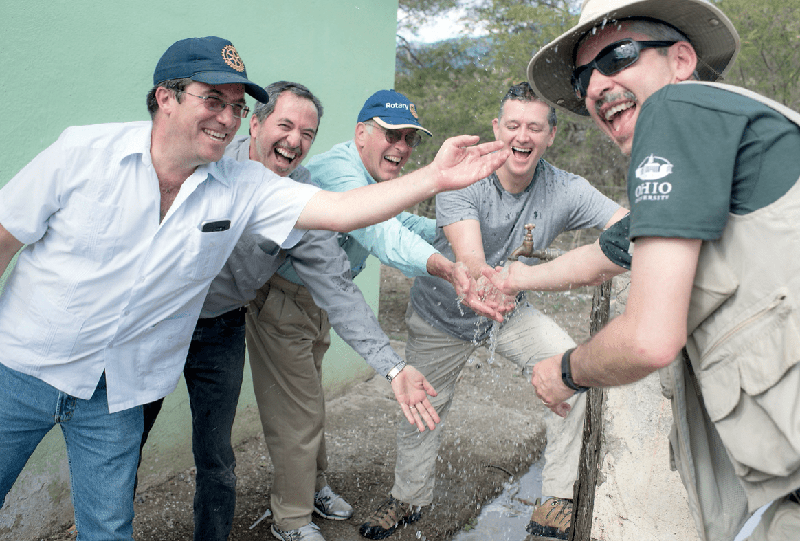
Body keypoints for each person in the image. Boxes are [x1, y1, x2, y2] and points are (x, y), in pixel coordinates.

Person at [0, 36, 510, 540]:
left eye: (235, 106)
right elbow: (5, 238)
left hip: (133, 376)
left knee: (128, 515)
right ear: (166, 97)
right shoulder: (83, 153)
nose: (225, 117)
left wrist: (435, 180)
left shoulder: (246, 186)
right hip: (23, 366)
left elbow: (346, 217)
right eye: (212, 101)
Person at [526, 0, 800, 539]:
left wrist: (562, 374)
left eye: (618, 56)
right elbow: (605, 254)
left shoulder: (676, 111)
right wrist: (507, 278)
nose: (597, 84)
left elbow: (650, 339)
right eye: (584, 74)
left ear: (681, 60)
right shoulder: (722, 144)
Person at [138, 81, 449, 541]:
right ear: (256, 123)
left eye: (307, 133)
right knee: (124, 440)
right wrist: (448, 266)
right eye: (285, 125)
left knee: (217, 457)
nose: (295, 141)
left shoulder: (300, 192)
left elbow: (337, 285)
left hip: (221, 324)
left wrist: (393, 366)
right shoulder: (206, 161)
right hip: (157, 320)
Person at [358, 81, 628, 540]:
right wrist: (491, 278)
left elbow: (627, 224)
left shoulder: (567, 189)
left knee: (574, 372)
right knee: (423, 406)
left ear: (550, 136)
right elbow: (470, 257)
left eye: (535, 128)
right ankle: (408, 498)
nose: (523, 136)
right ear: (496, 128)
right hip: (440, 316)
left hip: (509, 312)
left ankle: (556, 500)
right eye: (514, 125)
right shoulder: (463, 177)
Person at [244, 88, 513, 541]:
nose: (402, 147)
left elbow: (404, 224)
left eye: (409, 138)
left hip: (322, 303)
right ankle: (290, 519)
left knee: (310, 406)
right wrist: (444, 266)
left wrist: (459, 228)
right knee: (299, 415)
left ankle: (314, 487)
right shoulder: (335, 171)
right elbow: (380, 231)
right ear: (361, 133)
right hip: (283, 303)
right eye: (392, 135)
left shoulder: (376, 180)